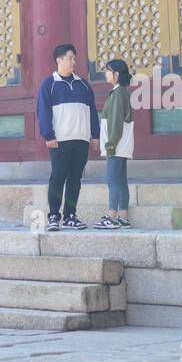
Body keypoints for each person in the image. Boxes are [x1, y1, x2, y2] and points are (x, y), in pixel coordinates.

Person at [36, 43, 99, 230]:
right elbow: (43, 112)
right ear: (59, 60)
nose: (74, 62)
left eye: (74, 58)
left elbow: (92, 111)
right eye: (70, 58)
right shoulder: (49, 84)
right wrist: (48, 135)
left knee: (75, 179)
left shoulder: (83, 85)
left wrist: (95, 135)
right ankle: (54, 216)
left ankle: (70, 215)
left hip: (81, 140)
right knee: (58, 177)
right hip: (59, 140)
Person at [94, 58, 135, 229]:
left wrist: (111, 144)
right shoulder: (121, 92)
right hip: (122, 145)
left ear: (116, 74)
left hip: (116, 145)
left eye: (108, 70)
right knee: (120, 181)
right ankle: (123, 217)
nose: (105, 73)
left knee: (112, 180)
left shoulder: (118, 93)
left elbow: (116, 122)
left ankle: (112, 216)